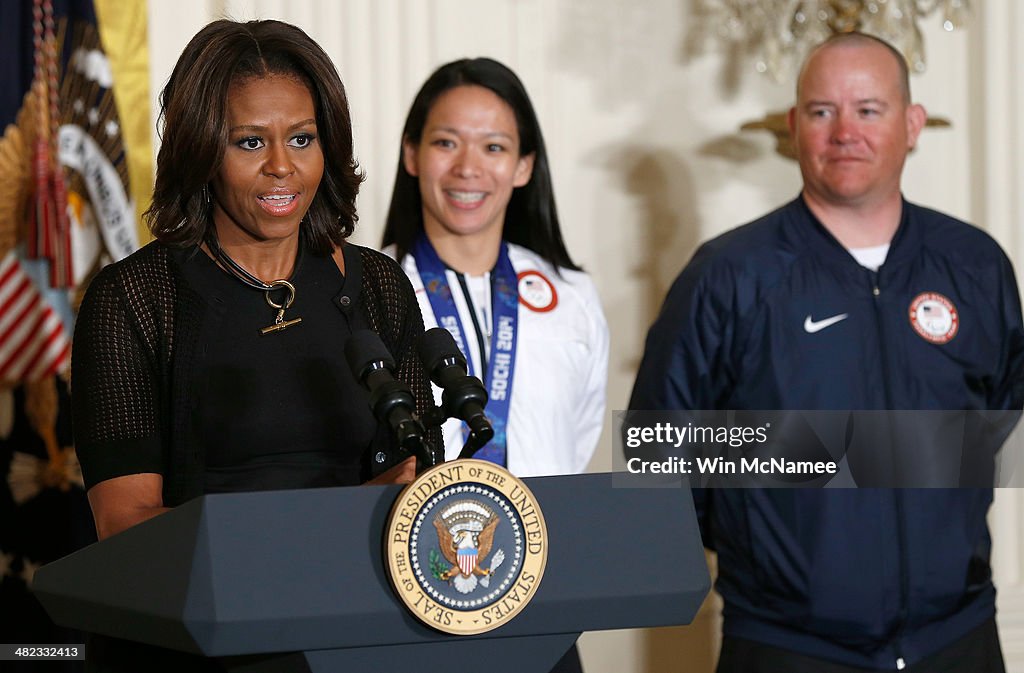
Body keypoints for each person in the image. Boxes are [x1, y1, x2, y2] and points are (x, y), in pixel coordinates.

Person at [629, 33, 1022, 672]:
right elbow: (659, 454)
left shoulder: (975, 266)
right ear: (794, 126)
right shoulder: (729, 275)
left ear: (912, 124)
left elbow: (1003, 432)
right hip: (787, 647)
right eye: (822, 111)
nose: (845, 132)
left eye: (868, 109)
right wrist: (777, 529)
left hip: (957, 640)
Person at [71, 19, 437, 671]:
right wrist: (319, 537)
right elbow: (126, 525)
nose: (282, 166)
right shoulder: (133, 299)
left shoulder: (377, 286)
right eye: (249, 141)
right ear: (202, 148)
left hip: (350, 636)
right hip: (193, 644)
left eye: (302, 137)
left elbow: (408, 484)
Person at [381, 58, 609, 478]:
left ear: (523, 166)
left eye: (494, 147)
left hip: (548, 534)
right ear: (412, 154)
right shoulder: (370, 290)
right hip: (412, 538)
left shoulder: (571, 295)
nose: (468, 168)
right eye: (446, 143)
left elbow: (577, 437)